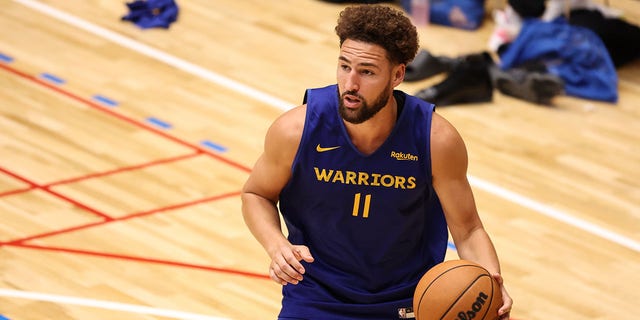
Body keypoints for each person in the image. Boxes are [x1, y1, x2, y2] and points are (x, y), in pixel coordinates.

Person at [241, 4, 512, 320]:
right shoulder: (295, 131)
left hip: (409, 300)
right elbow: (256, 194)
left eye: (367, 72)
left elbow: (467, 230)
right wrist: (277, 246)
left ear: (398, 75)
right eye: (344, 66)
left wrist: (492, 282)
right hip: (317, 295)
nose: (350, 84)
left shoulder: (436, 140)